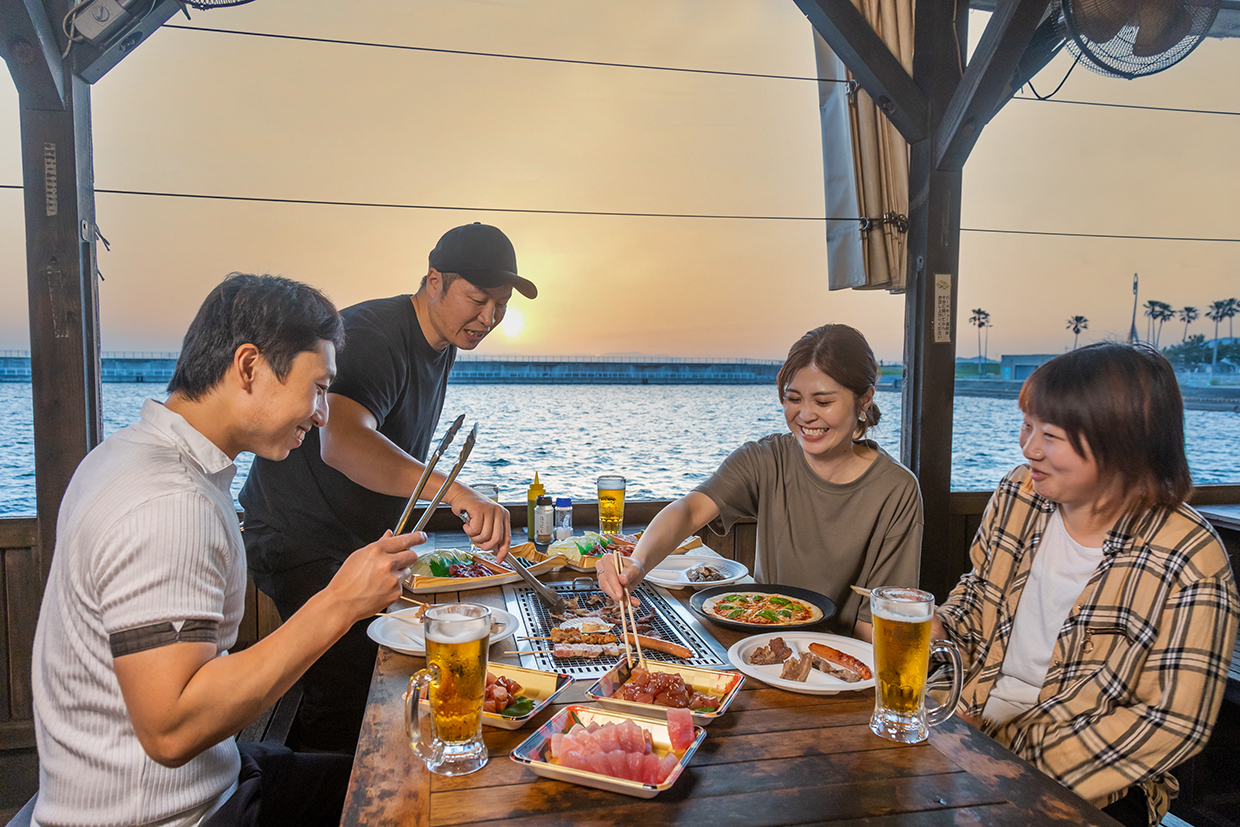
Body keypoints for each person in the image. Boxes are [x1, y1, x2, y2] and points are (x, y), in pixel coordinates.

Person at [31, 274, 424, 827]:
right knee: (420, 804)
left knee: (405, 776)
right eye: (318, 388)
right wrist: (340, 603)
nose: (321, 415)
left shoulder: (127, 455)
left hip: (211, 774)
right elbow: (172, 729)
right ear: (248, 366)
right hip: (170, 814)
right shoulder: (170, 504)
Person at [239, 221, 537, 750]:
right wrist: (458, 493)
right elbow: (343, 442)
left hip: (354, 542)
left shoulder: (442, 341)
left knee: (385, 677)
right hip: (298, 537)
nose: (488, 318)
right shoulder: (376, 335)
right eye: (477, 299)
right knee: (347, 691)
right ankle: (314, 795)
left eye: (501, 306)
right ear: (434, 280)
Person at [933, 342, 1239, 827]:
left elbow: (1171, 721)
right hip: (969, 712)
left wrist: (1007, 763)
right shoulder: (1020, 492)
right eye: (1027, 425)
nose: (1028, 447)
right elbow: (976, 599)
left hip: (1093, 771)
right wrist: (933, 629)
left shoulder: (1189, 558)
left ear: (1124, 443)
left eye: (1050, 434)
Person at [600, 323, 922, 639]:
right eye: (793, 399)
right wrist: (637, 565)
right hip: (763, 641)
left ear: (864, 400)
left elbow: (877, 623)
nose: (806, 415)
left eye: (823, 402)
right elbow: (690, 509)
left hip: (843, 661)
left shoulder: (895, 490)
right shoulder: (766, 459)